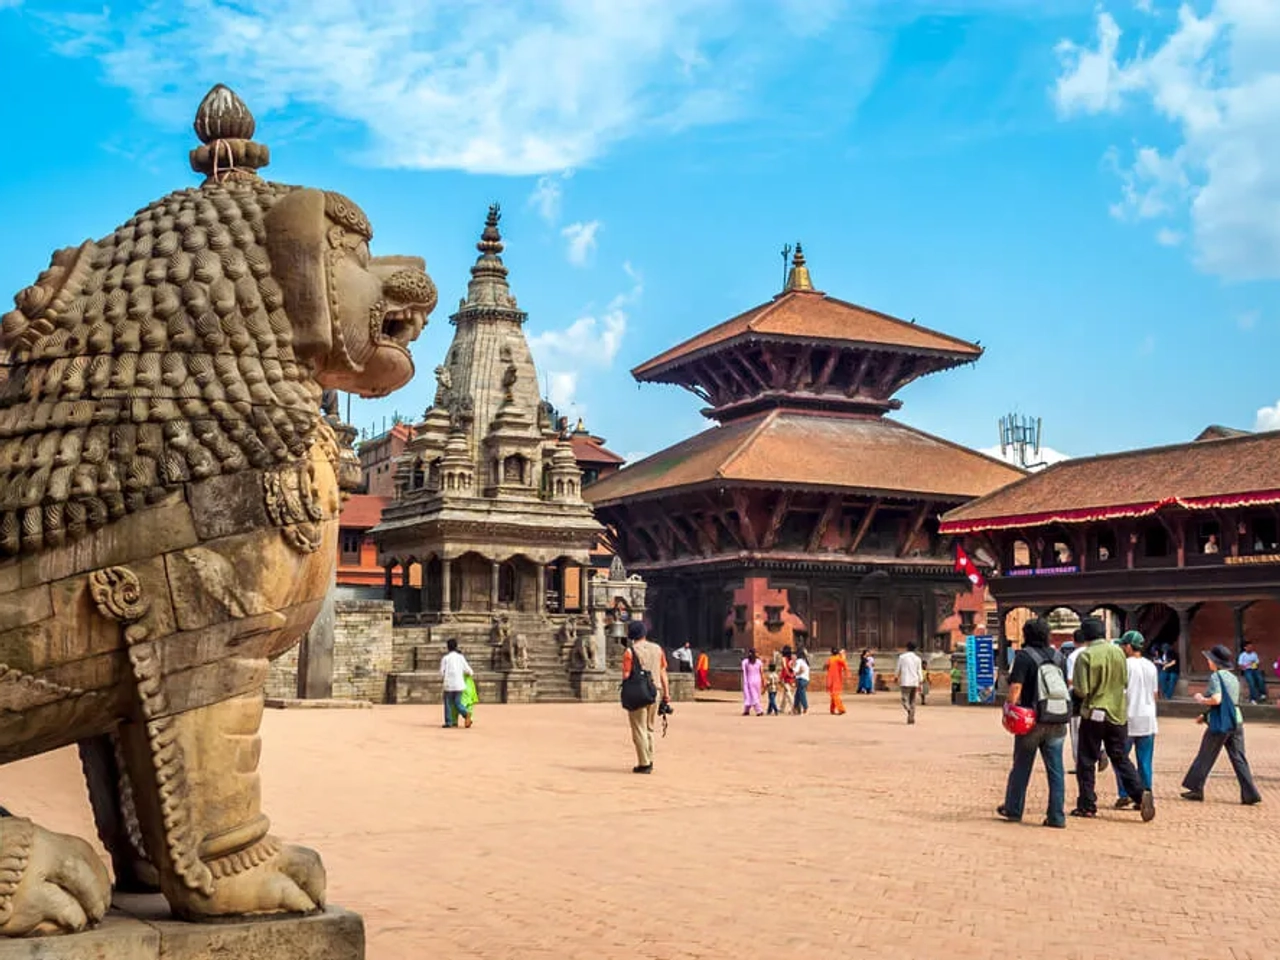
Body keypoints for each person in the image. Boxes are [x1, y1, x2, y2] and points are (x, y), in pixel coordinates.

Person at [1071, 617, 1153, 821]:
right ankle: (1139, 793)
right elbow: (1124, 681)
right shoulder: (1118, 653)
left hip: (1094, 713)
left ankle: (1087, 804)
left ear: (1086, 636)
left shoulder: (1085, 656)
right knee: (1120, 756)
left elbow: (1082, 690)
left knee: (1087, 759)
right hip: (1118, 714)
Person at [997, 617, 1068, 828]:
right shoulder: (1059, 657)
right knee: (1056, 770)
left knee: (1021, 766)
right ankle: (1056, 816)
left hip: (1031, 721)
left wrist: (1009, 709)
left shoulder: (1024, 657)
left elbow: (1015, 689)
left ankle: (1014, 809)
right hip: (1056, 718)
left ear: (1026, 635)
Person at [1181, 645, 1262, 804]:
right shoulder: (1234, 678)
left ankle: (1196, 788)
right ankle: (1250, 793)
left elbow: (1217, 700)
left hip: (1220, 723)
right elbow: (1229, 703)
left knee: (1206, 754)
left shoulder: (1216, 677)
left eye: (1209, 660)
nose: (1208, 662)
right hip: (1236, 720)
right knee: (1239, 758)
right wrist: (1205, 716)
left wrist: (1201, 699)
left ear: (1215, 662)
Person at [1113, 631, 1158, 809]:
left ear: (1129, 647)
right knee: (1145, 761)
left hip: (1128, 717)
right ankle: (1146, 792)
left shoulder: (1124, 665)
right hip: (1148, 717)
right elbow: (1155, 694)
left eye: (1124, 645)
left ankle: (1125, 793)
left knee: (1121, 759)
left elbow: (1120, 692)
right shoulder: (1151, 666)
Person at [621, 621, 669, 774]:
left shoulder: (630, 652)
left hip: (639, 692)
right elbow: (663, 672)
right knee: (649, 727)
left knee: (638, 727)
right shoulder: (658, 649)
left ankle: (644, 763)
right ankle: (650, 758)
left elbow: (626, 675)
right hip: (656, 691)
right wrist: (666, 694)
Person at [1066, 624, 1108, 774]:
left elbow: (1071, 681)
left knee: (1077, 732)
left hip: (1079, 700)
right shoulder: (1100, 652)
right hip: (1099, 697)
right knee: (1096, 728)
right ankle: (1101, 750)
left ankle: (1081, 764)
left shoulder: (1074, 656)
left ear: (1074, 641)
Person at [439, 638, 475, 729]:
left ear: (448, 647)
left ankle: (449, 722)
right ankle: (466, 713)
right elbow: (469, 670)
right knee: (457, 702)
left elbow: (441, 672)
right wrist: (467, 675)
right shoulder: (460, 657)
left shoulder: (446, 658)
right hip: (459, 684)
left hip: (449, 684)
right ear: (456, 647)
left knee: (448, 703)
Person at [896, 642, 923, 725]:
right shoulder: (918, 659)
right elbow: (919, 671)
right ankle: (911, 717)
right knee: (912, 701)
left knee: (905, 699)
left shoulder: (902, 657)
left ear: (907, 648)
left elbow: (898, 668)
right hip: (914, 681)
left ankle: (909, 711)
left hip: (905, 681)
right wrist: (920, 680)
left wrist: (896, 676)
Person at [1238, 640, 1267, 704]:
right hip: (1247, 670)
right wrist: (1246, 666)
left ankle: (1263, 694)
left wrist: (1254, 664)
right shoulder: (1242, 655)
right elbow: (1240, 666)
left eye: (1251, 646)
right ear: (1245, 648)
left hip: (1255, 669)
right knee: (1251, 682)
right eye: (1249, 646)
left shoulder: (1254, 654)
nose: (1251, 648)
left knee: (1260, 679)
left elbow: (1257, 663)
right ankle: (1253, 699)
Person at [741, 649, 764, 716]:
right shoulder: (759, 662)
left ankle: (759, 710)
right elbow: (761, 672)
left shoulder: (745, 662)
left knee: (752, 696)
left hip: (750, 680)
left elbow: (744, 672)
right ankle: (746, 710)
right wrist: (763, 681)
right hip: (757, 680)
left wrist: (745, 681)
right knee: (755, 695)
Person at [826, 648, 849, 715]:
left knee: (834, 694)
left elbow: (826, 666)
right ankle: (835, 709)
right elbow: (845, 665)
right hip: (837, 679)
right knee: (834, 694)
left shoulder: (831, 659)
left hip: (831, 678)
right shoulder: (838, 658)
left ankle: (840, 709)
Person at [779, 647, 796, 714]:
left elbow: (784, 668)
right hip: (792, 677)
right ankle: (781, 708)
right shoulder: (792, 658)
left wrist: (781, 678)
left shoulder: (784, 659)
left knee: (788, 693)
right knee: (785, 694)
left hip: (786, 677)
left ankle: (794, 707)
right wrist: (793, 675)